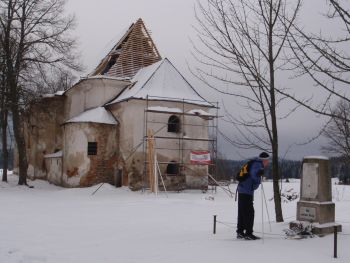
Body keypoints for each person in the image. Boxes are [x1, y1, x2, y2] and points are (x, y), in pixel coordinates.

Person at [236, 152, 270, 240]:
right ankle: (248, 233)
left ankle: (240, 232)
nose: (268, 162)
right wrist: (259, 174)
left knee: (242, 212)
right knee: (249, 213)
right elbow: (254, 175)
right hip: (246, 191)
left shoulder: (254, 162)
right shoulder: (258, 164)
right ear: (264, 160)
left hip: (242, 189)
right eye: (268, 160)